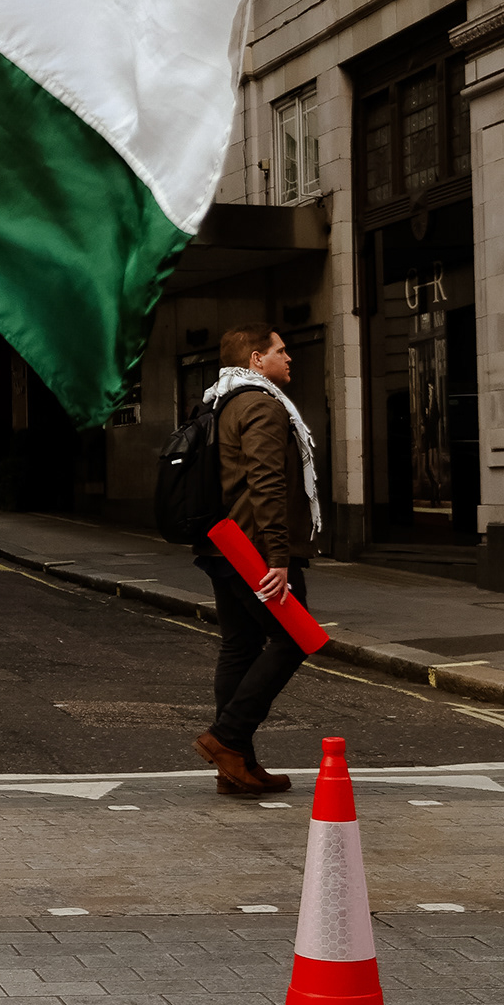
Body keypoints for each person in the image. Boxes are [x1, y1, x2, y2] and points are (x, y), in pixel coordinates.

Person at [193, 325, 321, 797]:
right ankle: (226, 740)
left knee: (241, 645)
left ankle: (237, 765)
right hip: (254, 550)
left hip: (224, 543)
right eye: (280, 351)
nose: (289, 358)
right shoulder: (262, 405)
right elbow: (266, 483)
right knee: (294, 637)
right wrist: (279, 556)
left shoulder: (221, 402)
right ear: (255, 359)